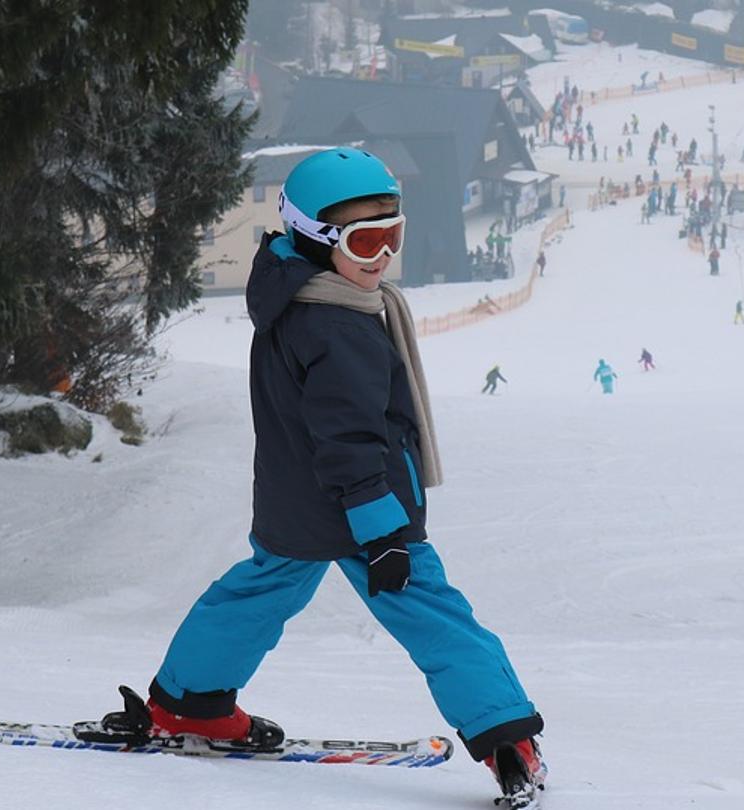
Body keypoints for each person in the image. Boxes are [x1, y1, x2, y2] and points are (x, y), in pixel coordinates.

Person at [77, 148, 545, 806]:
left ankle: (190, 703)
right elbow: (350, 438)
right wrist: (381, 531)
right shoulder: (336, 324)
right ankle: (505, 736)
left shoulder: (292, 295)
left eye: (393, 233)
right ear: (318, 239)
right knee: (435, 616)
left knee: (257, 594)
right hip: (362, 506)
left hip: (295, 500)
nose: (382, 255)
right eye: (365, 239)